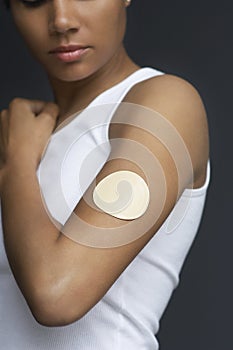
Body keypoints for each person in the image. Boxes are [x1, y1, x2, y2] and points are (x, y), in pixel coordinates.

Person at [0, 0, 210, 349]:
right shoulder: (24, 135)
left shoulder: (166, 104)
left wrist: (16, 165)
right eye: (34, 0)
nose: (61, 21)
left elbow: (58, 295)